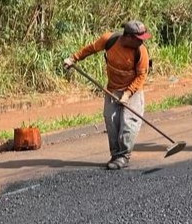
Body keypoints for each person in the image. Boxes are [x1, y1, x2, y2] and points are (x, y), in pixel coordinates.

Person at [64, 20, 151, 169]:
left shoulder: (141, 51)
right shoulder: (109, 40)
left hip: (133, 90)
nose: (141, 42)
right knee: (112, 121)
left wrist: (128, 94)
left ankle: (124, 156)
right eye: (138, 39)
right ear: (128, 37)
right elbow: (90, 49)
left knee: (129, 122)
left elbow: (141, 76)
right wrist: (73, 58)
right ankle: (115, 154)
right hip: (113, 88)